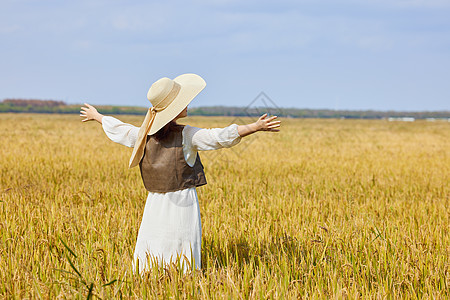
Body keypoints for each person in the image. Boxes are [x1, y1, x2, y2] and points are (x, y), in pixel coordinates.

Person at [80, 73, 281, 274]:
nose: (188, 104)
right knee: (181, 243)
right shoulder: (187, 135)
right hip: (183, 200)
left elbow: (120, 129)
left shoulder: (143, 134)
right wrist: (255, 127)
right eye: (184, 101)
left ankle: (150, 278)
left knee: (154, 242)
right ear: (173, 110)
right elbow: (217, 137)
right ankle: (182, 280)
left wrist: (97, 116)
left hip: (154, 203)